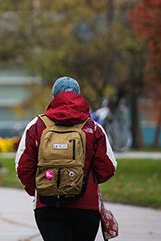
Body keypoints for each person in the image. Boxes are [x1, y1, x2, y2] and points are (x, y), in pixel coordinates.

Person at [15, 76, 118, 241]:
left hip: (47, 205)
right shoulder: (93, 127)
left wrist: (39, 189)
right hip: (86, 206)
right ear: (78, 96)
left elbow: (23, 166)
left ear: (53, 97)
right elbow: (108, 167)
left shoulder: (37, 125)